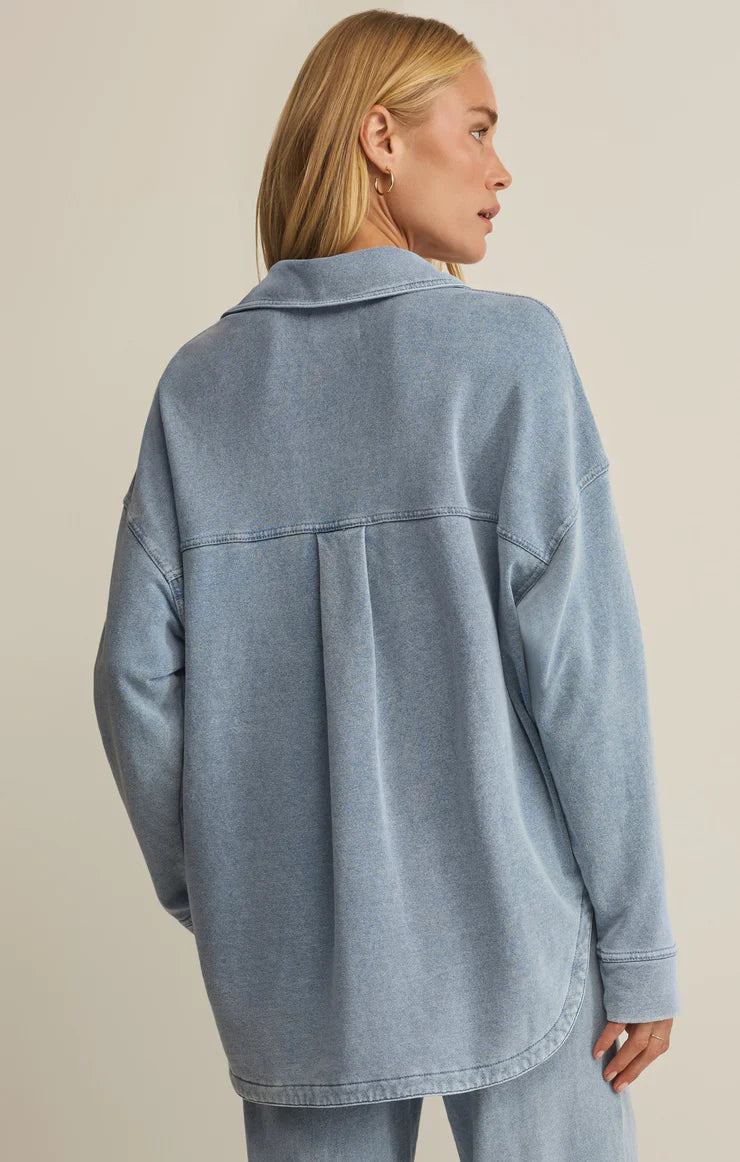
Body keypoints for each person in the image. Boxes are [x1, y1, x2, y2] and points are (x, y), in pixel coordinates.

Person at [92, 9, 680, 1160]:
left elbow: (133, 683)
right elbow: (586, 676)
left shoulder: (199, 389)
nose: (500, 169)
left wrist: (231, 890)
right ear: (379, 137)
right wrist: (638, 942)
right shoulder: (507, 355)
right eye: (477, 128)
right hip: (519, 945)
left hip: (299, 973)